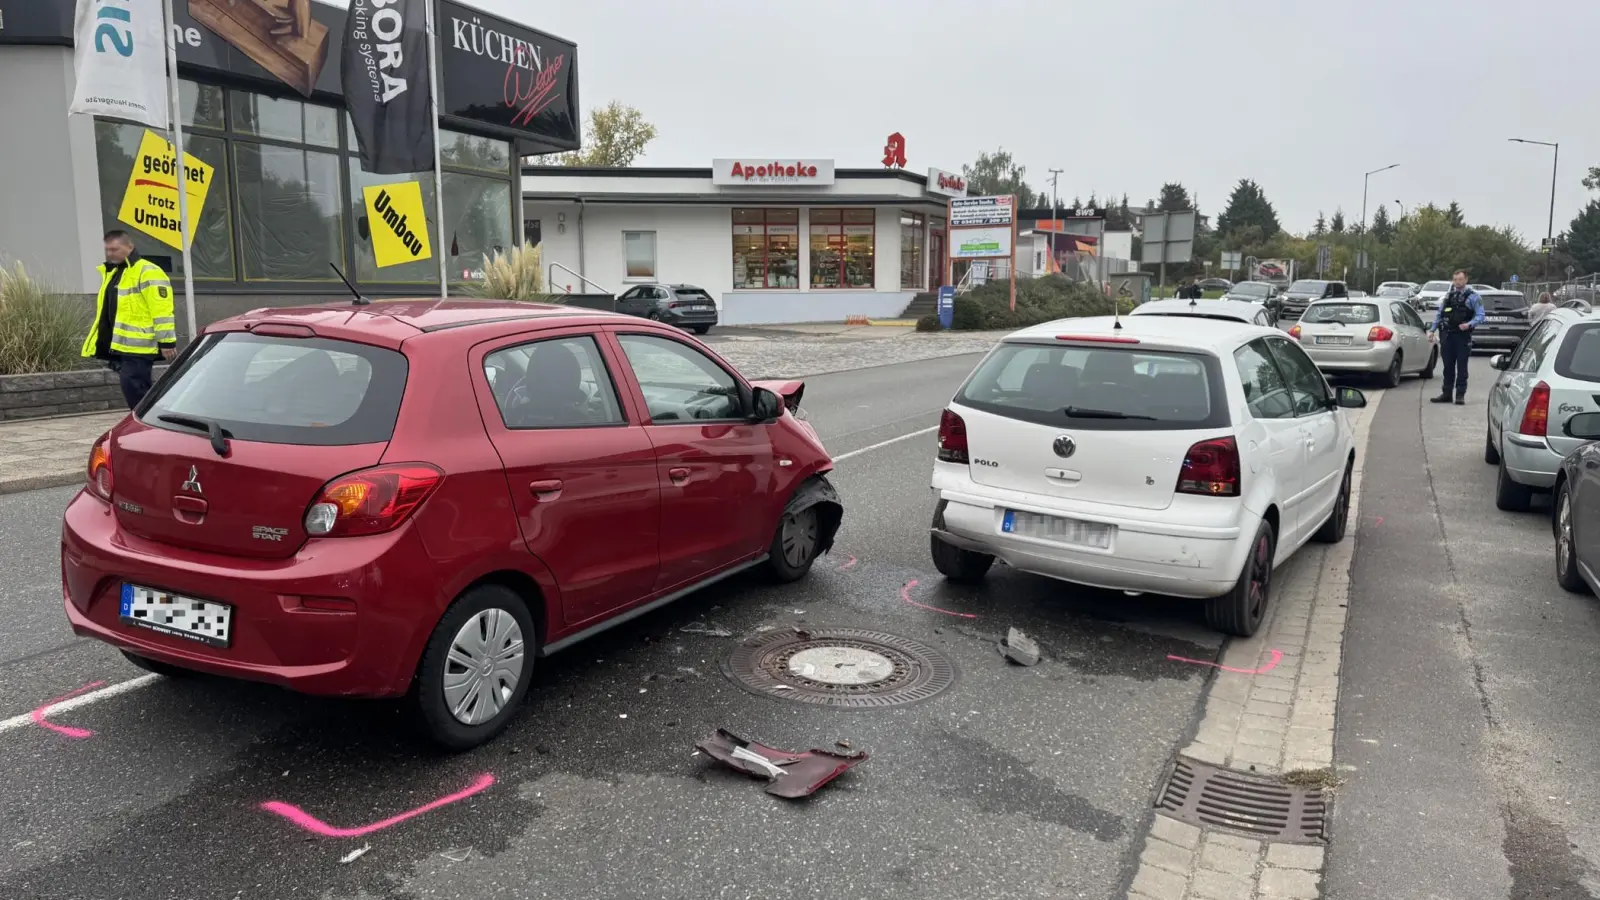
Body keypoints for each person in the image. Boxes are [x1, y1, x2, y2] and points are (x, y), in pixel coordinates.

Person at [81, 231, 177, 409]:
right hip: (121, 345)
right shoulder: (115, 273)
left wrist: (167, 341)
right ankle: (152, 421)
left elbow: (162, 309)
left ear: (130, 246)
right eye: (107, 250)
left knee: (135, 389)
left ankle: (149, 424)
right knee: (137, 389)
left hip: (139, 345)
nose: (110, 254)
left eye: (115, 249)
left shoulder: (149, 271)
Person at [1429, 270, 1485, 405]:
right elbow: (1439, 314)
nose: (1457, 282)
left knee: (1461, 367)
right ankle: (1446, 393)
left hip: (1462, 336)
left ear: (1466, 280)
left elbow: (1481, 316)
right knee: (1447, 366)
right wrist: (1432, 330)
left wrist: (1468, 324)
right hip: (1447, 335)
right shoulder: (1449, 296)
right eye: (1455, 280)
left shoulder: (1473, 297)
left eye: (1460, 279)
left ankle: (1460, 394)